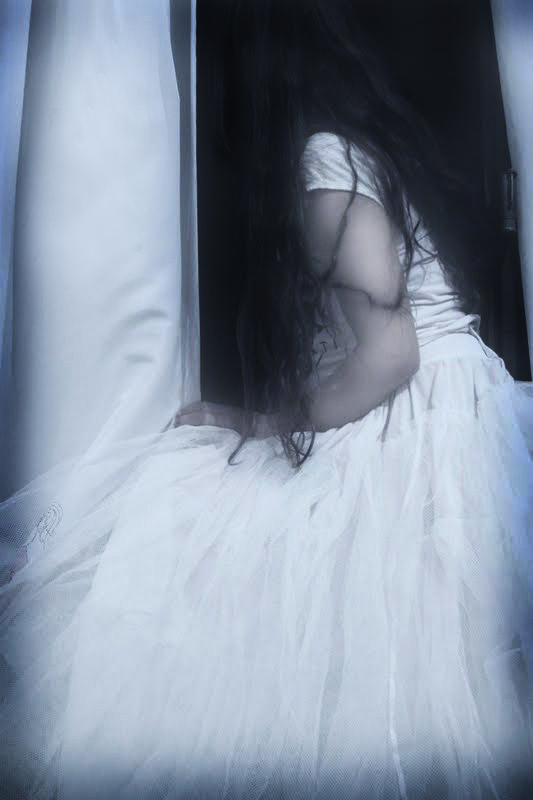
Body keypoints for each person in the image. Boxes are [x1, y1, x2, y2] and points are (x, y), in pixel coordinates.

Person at [1, 1, 532, 798]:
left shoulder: (324, 160)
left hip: (423, 410)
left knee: (191, 534)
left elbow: (391, 353)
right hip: (443, 396)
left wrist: (266, 423)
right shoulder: (354, 150)